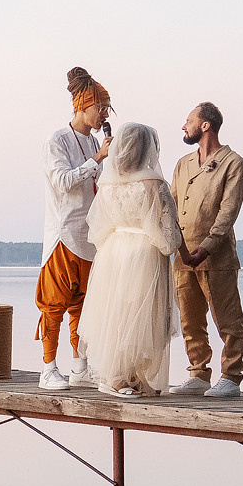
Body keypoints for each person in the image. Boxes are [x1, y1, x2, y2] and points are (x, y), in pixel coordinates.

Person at [74, 123, 184, 398]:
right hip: (143, 251)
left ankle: (121, 376)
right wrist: (169, 245)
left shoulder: (108, 183)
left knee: (117, 314)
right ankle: (123, 378)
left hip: (113, 250)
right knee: (140, 316)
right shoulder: (153, 184)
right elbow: (167, 231)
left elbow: (98, 226)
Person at [37, 68, 113, 391]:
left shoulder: (94, 140)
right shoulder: (58, 141)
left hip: (88, 235)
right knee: (54, 302)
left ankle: (80, 364)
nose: (104, 115)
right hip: (63, 234)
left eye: (107, 109)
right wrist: (97, 158)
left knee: (82, 304)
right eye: (101, 108)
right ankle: (47, 368)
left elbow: (95, 186)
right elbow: (64, 181)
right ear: (83, 105)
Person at [171, 102, 243, 397]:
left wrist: (205, 248)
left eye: (189, 120)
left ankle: (231, 376)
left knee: (227, 318)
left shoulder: (233, 163)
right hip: (182, 255)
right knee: (189, 319)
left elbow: (228, 213)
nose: (184, 126)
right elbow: (172, 204)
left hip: (216, 257)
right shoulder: (183, 164)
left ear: (205, 125)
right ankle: (199, 373)